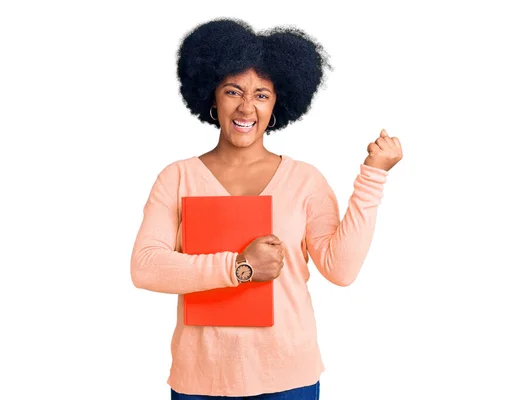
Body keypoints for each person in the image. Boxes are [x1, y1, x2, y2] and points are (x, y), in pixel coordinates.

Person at [130, 18, 403, 399]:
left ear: (277, 103)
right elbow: (144, 267)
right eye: (233, 91)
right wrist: (240, 268)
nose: (246, 107)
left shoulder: (304, 180)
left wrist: (373, 177)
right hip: (199, 381)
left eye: (261, 94)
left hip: (287, 379)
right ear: (212, 96)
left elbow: (341, 270)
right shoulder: (177, 178)